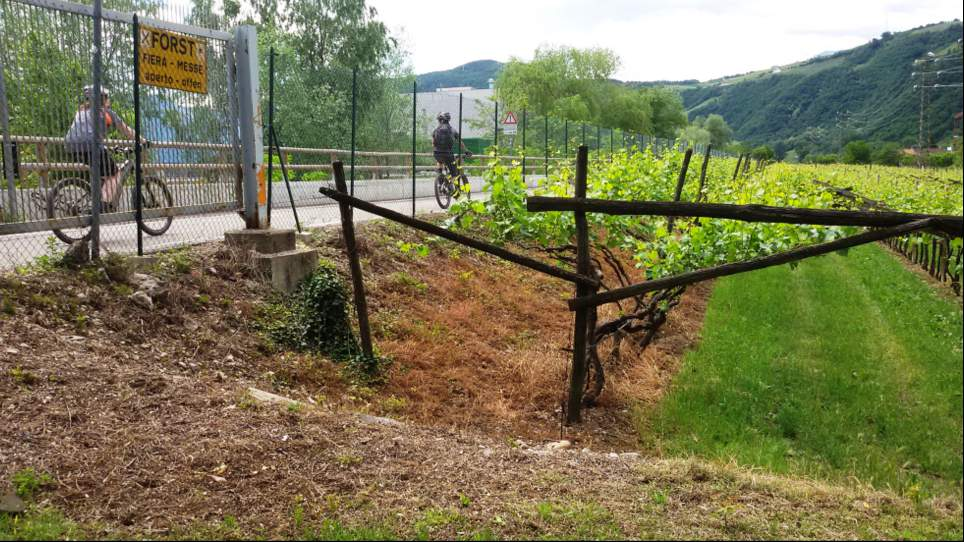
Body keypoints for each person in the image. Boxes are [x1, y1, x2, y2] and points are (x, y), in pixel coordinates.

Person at [64, 86, 141, 212]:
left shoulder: (81, 111)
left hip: (70, 146)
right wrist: (143, 141)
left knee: (103, 172)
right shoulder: (106, 112)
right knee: (115, 173)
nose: (109, 100)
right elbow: (126, 130)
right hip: (91, 145)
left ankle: (96, 200)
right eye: (107, 98)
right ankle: (103, 205)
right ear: (103, 99)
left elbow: (87, 131)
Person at [432, 112, 471, 179]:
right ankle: (451, 186)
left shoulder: (436, 130)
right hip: (448, 154)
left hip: (437, 154)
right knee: (454, 174)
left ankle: (440, 174)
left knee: (439, 161)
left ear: (440, 120)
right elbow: (460, 142)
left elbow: (433, 144)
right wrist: (466, 150)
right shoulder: (453, 130)